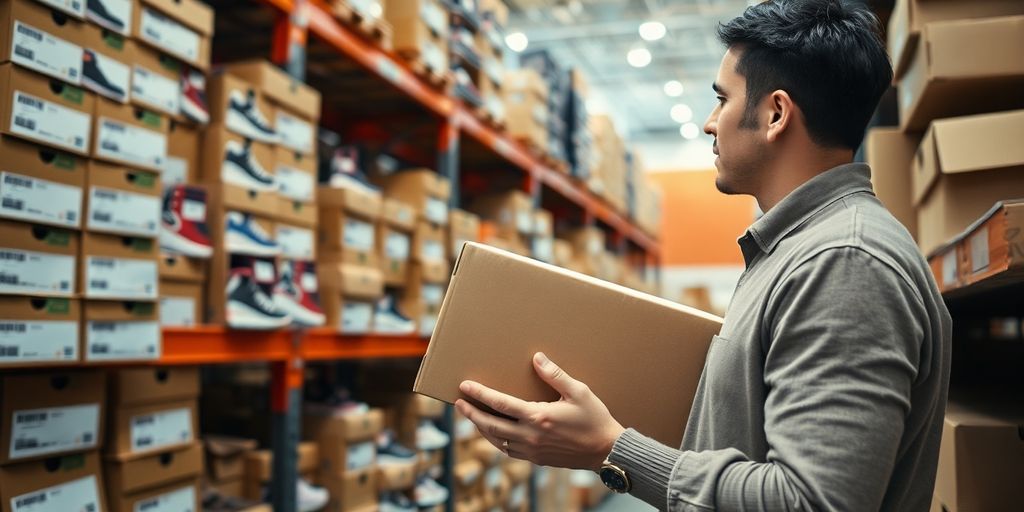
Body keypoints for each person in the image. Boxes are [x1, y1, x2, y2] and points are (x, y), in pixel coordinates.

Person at [454, 0, 953, 510]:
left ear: (776, 113)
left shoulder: (844, 262)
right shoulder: (799, 248)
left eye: (722, 99)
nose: (709, 123)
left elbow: (811, 501)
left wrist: (611, 448)